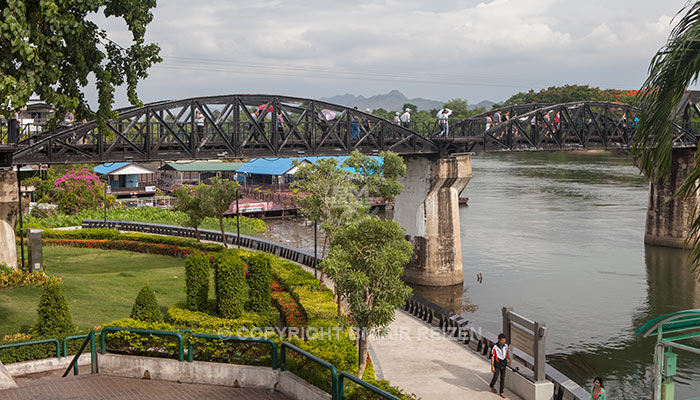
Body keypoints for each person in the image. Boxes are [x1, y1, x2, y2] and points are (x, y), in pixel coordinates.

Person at [489, 333, 511, 398]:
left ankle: (501, 392)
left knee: (502, 378)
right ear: (499, 340)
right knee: (495, 377)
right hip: (497, 363)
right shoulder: (494, 347)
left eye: (504, 340)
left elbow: (507, 353)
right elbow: (492, 357)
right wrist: (492, 366)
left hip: (504, 363)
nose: (503, 342)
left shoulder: (506, 346)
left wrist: (509, 360)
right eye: (502, 340)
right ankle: (491, 385)